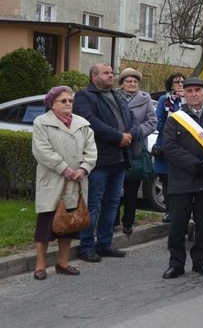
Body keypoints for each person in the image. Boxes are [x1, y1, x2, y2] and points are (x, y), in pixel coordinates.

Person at [73, 63, 139, 263]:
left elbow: (133, 118)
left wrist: (131, 134)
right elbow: (90, 121)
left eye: (112, 72)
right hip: (99, 160)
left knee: (112, 204)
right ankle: (86, 246)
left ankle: (104, 244)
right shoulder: (85, 96)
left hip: (120, 159)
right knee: (93, 205)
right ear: (94, 76)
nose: (111, 76)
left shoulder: (117, 95)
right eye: (106, 73)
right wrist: (117, 136)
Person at [161, 77, 203, 279]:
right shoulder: (175, 119)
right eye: (189, 91)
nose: (194, 94)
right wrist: (194, 165)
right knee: (178, 224)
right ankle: (176, 263)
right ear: (184, 94)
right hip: (182, 179)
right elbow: (170, 147)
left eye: (198, 90)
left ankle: (201, 262)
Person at [31, 86, 97, 280]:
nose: (68, 104)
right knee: (45, 225)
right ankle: (40, 266)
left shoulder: (82, 124)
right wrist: (64, 169)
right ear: (52, 104)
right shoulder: (42, 123)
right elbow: (42, 150)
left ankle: (63, 263)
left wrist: (83, 168)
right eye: (63, 101)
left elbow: (91, 150)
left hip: (76, 181)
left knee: (70, 223)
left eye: (70, 101)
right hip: (53, 180)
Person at [117, 68, 157, 235]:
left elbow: (152, 121)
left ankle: (128, 222)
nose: (132, 84)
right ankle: (112, 221)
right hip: (116, 145)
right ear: (122, 84)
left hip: (136, 147)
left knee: (132, 187)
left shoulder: (145, 99)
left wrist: (134, 133)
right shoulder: (113, 97)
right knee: (114, 187)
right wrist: (118, 134)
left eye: (135, 81)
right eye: (128, 81)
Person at [154, 73, 185, 222]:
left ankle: (182, 211)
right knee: (166, 180)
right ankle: (169, 211)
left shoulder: (187, 100)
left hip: (184, 144)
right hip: (165, 143)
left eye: (182, 82)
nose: (180, 84)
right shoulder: (164, 100)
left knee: (181, 180)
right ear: (170, 84)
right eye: (177, 82)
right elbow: (158, 121)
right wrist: (170, 133)